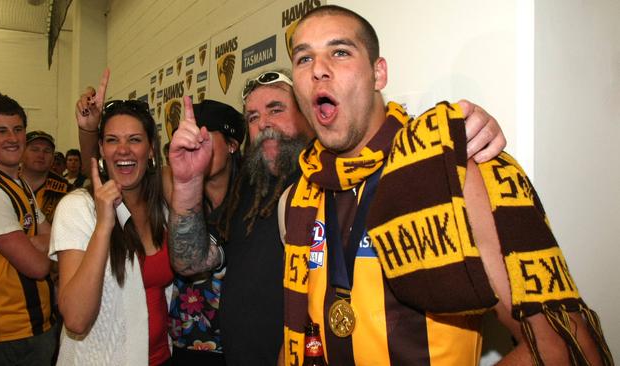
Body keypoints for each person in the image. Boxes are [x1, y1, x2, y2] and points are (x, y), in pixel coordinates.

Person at [281, 5, 612, 365]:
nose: (318, 70)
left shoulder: (444, 176)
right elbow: (297, 333)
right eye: (303, 59)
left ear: (379, 73)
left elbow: (558, 347)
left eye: (340, 52)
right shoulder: (297, 200)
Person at [168, 66, 507, 364]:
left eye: (275, 109)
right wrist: (186, 185)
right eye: (253, 117)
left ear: (309, 114)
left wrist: (468, 129)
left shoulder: (338, 182)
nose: (264, 125)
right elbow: (191, 263)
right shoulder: (244, 188)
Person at [49, 98, 173, 365]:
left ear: (151, 149)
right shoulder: (78, 208)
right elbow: (76, 320)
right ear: (102, 150)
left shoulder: (161, 207)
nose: (123, 150)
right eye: (113, 140)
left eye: (135, 140)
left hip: (161, 357)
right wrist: (104, 226)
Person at [0, 92, 56, 365]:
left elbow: (54, 237)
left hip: (36, 327)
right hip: (4, 336)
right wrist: (36, 246)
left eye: (18, 129)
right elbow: (38, 267)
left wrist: (23, 243)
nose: (12, 138)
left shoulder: (19, 182)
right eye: (1, 131)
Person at [167, 99, 244, 365]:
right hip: (185, 345)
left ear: (232, 145)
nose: (193, 147)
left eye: (204, 138)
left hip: (239, 349)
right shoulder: (177, 197)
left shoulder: (255, 201)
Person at [20, 131, 69, 223]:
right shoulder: (5, 182)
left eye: (47, 151)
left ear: (52, 158)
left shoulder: (66, 191)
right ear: (21, 153)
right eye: (35, 149)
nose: (41, 155)